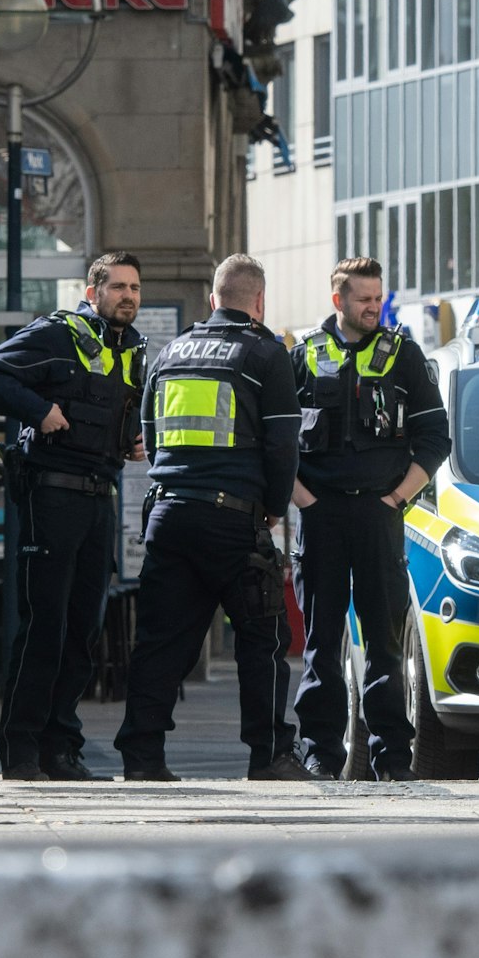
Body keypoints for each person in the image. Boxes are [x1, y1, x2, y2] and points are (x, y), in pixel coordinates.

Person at [113, 254, 315, 782]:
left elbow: (151, 438)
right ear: (259, 301)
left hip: (170, 512)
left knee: (161, 640)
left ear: (212, 300)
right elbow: (281, 448)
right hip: (232, 520)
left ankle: (142, 756)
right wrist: (271, 509)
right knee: (263, 636)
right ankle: (268, 755)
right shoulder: (265, 355)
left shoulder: (171, 352)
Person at [0, 252, 147, 781]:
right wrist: (38, 411)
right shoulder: (57, 334)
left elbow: (111, 411)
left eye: (134, 288)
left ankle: (61, 749)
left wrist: (130, 440)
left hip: (98, 501)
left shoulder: (130, 351)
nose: (128, 296)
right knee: (44, 626)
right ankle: (20, 752)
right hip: (52, 498)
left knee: (82, 630)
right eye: (117, 287)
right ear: (92, 292)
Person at [289, 258, 451, 781]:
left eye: (378, 297)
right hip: (321, 515)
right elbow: (276, 439)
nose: (373, 307)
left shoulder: (403, 355)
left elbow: (435, 438)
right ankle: (320, 752)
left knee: (383, 641)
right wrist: (302, 499)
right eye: (364, 299)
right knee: (322, 641)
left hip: (380, 513)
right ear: (338, 300)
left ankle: (392, 756)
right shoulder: (304, 357)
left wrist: (398, 497)